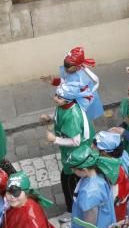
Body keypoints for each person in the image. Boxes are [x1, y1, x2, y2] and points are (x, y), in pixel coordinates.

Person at [39, 82, 93, 218]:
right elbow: (59, 114)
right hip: (71, 154)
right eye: (56, 94)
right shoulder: (64, 106)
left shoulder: (72, 115)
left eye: (59, 97)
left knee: (68, 181)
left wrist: (54, 139)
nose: (55, 98)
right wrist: (50, 117)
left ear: (68, 100)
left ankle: (72, 210)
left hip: (76, 156)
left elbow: (76, 141)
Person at [1, 173, 67, 228]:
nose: (12, 197)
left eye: (16, 193)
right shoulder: (20, 203)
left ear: (26, 193)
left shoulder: (29, 218)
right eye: (9, 192)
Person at [40, 46, 103, 123]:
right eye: (65, 64)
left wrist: (52, 117)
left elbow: (68, 102)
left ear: (77, 66)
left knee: (81, 125)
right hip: (75, 102)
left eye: (68, 66)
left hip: (83, 106)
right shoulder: (70, 71)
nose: (65, 68)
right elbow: (66, 83)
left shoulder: (80, 82)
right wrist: (53, 81)